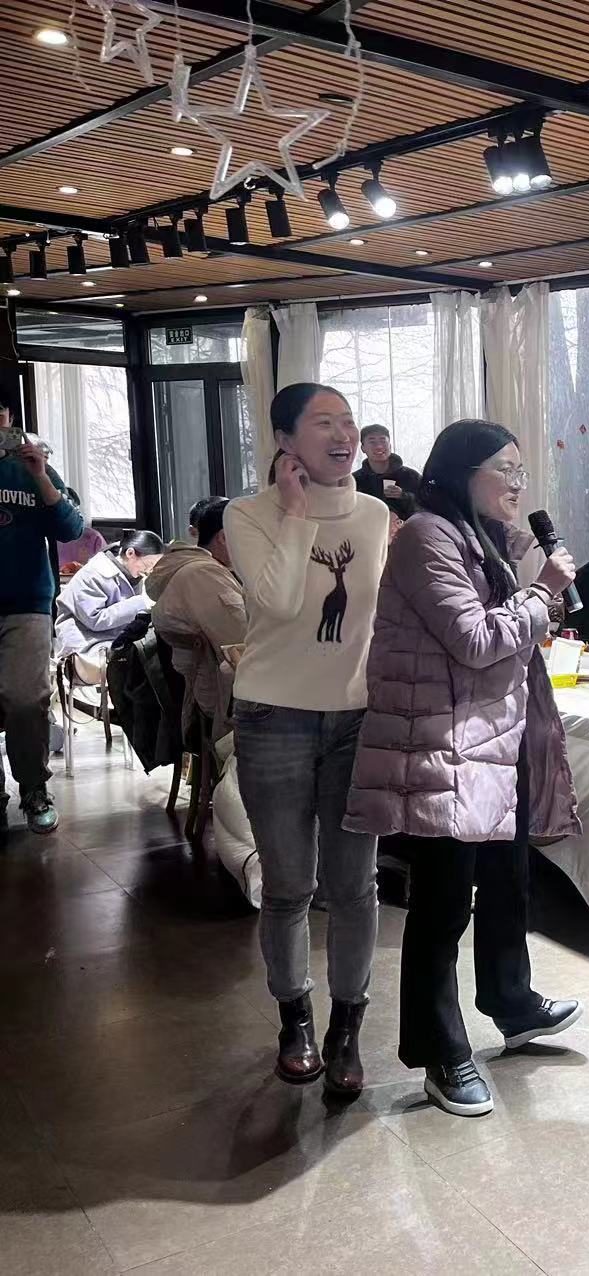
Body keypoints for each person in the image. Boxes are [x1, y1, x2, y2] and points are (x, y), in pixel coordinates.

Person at [345, 420, 584, 1118]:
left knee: (508, 880)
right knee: (444, 904)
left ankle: (512, 1002)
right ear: (462, 471)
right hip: (441, 743)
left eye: (521, 471)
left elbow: (507, 629)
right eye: (505, 469)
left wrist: (533, 585)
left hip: (491, 739)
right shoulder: (425, 537)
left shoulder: (479, 537)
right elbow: (476, 639)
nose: (517, 483)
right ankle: (439, 1052)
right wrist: (541, 592)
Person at [226, 383, 392, 1097]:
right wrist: (295, 513)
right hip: (274, 717)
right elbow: (280, 601)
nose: (343, 434)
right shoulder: (248, 514)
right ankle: (294, 1019)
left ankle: (347, 1028)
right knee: (290, 885)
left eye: (348, 421)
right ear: (286, 441)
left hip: (356, 720)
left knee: (354, 887)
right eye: (323, 423)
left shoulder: (376, 514)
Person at [0, 413, 85, 834]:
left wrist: (40, 475)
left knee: (25, 699)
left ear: (11, 421)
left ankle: (34, 789)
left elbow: (71, 528)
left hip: (28, 603)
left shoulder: (34, 468)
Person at [147, 497, 247, 741]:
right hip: (220, 699)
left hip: (206, 689)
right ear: (224, 537)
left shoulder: (193, 568)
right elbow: (242, 643)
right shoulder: (203, 575)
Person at [54, 529, 165, 681]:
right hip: (87, 644)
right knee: (146, 662)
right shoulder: (93, 573)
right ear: (130, 553)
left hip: (113, 640)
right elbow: (95, 619)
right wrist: (140, 603)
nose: (148, 570)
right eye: (148, 564)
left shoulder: (133, 575)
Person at [354, 424, 422, 498]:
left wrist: (403, 496)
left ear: (390, 446)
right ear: (363, 448)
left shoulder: (411, 476)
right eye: (372, 442)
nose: (379, 446)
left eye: (383, 441)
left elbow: (427, 501)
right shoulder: (354, 481)